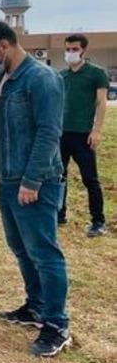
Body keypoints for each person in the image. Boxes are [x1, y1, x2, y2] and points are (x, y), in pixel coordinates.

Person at [0, 20, 70, 357]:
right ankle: (36, 307)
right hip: (9, 179)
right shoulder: (2, 81)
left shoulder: (41, 79)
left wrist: (32, 181)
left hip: (36, 182)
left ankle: (57, 325)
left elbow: (49, 133)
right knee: (20, 248)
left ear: (3, 46)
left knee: (44, 254)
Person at [58, 34, 108, 236]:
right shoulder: (62, 76)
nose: (71, 53)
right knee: (59, 177)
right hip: (61, 134)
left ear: (83, 51)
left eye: (74, 49)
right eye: (68, 49)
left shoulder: (96, 73)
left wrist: (96, 130)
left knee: (90, 179)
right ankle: (59, 214)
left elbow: (102, 103)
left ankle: (98, 221)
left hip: (83, 135)